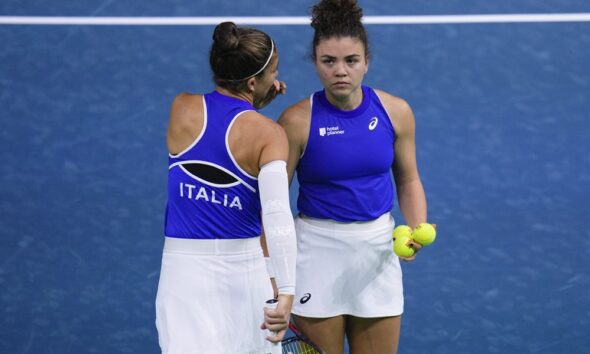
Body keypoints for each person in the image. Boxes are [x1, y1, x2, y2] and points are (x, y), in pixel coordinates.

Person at [277, 0, 429, 353]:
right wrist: (274, 271)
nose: (340, 71)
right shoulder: (296, 121)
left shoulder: (396, 112)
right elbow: (272, 202)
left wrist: (417, 225)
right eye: (329, 61)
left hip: (377, 253)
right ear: (315, 63)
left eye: (351, 60)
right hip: (316, 254)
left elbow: (408, 180)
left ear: (366, 62)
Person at [155, 22, 297, 354]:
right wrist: (287, 291)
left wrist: (251, 105)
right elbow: (276, 216)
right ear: (252, 81)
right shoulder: (269, 134)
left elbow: (221, 131)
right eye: (272, 72)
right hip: (244, 275)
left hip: (183, 277)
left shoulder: (182, 109)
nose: (276, 79)